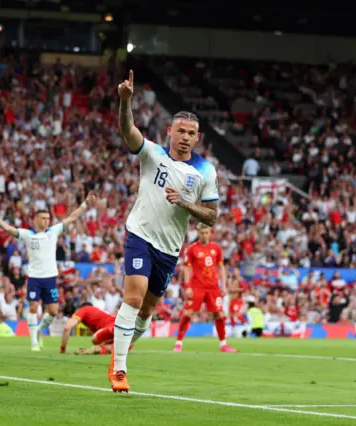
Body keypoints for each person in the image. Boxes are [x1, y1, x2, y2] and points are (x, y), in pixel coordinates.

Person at [110, 70, 220, 393]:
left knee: (147, 310)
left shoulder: (205, 172)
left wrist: (186, 203)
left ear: (197, 137)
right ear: (169, 130)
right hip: (140, 235)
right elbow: (128, 131)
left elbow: (211, 217)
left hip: (169, 249)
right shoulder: (152, 153)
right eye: (181, 130)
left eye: (192, 133)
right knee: (133, 296)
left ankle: (122, 348)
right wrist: (125, 101)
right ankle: (119, 370)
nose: (185, 137)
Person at [0, 192, 96, 351]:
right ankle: (34, 343)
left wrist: (85, 204)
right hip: (34, 277)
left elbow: (72, 217)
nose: (46, 221)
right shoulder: (28, 235)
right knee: (33, 308)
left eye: (48, 218)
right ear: (35, 220)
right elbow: (8, 228)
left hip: (50, 277)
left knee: (53, 311)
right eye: (43, 218)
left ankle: (37, 331)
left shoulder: (53, 231)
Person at [174, 224, 236, 353]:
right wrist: (188, 286)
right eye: (202, 232)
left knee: (219, 314)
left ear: (210, 233)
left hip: (213, 287)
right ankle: (178, 342)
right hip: (197, 286)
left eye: (207, 232)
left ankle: (223, 344)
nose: (204, 235)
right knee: (188, 313)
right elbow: (186, 268)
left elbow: (221, 268)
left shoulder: (216, 248)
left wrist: (223, 285)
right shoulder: (192, 249)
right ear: (198, 232)